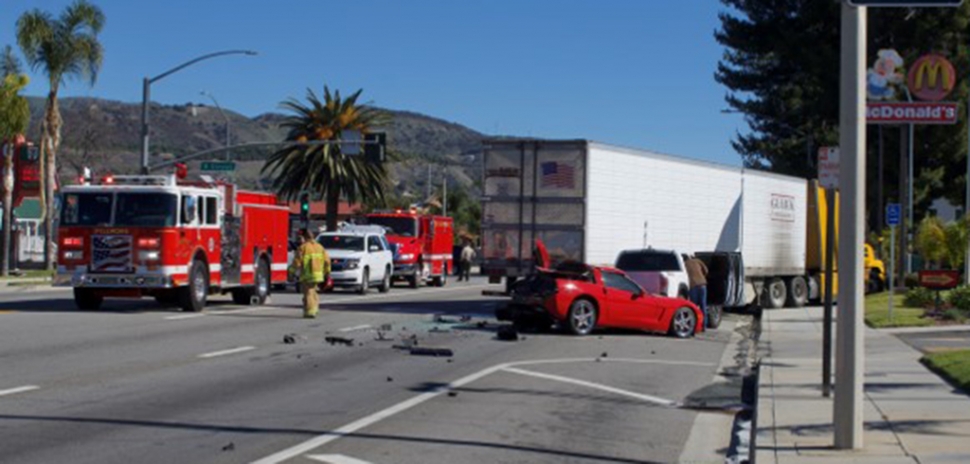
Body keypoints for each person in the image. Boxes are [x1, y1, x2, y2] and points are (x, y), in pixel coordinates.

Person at [290, 228, 329, 318]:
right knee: (313, 292)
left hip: (308, 275)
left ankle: (310, 311)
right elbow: (327, 261)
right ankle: (315, 308)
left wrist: (291, 272)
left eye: (300, 238)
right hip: (319, 275)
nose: (299, 240)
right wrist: (327, 273)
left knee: (308, 293)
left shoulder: (303, 248)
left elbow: (297, 262)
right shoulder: (320, 247)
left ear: (305, 237)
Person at [683, 254, 709, 328]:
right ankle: (704, 325)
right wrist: (702, 276)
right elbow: (706, 270)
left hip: (693, 285)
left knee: (693, 307)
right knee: (703, 305)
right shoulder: (698, 261)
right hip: (702, 284)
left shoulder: (684, 264)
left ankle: (694, 325)